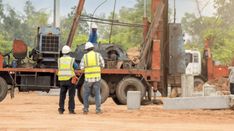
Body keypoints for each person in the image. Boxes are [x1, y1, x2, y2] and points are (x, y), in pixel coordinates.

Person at [80, 42, 105, 114]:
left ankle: (85, 109)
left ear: (87, 49)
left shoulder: (85, 56)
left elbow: (81, 67)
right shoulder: (98, 55)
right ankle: (98, 110)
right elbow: (103, 65)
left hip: (88, 78)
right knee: (97, 94)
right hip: (97, 78)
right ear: (93, 48)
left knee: (86, 94)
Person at [57, 45, 78, 114]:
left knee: (62, 95)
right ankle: (71, 110)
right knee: (71, 95)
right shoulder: (71, 60)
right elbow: (76, 66)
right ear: (69, 52)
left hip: (62, 80)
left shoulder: (59, 60)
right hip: (70, 80)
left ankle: (61, 109)